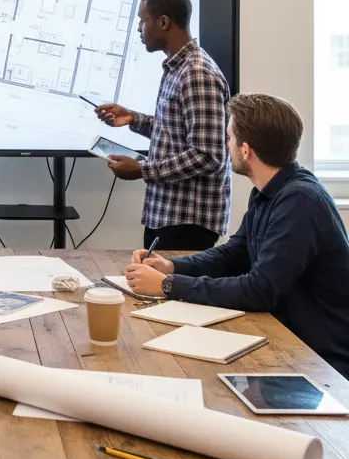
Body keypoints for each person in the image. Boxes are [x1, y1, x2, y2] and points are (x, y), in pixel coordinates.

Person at [124, 93, 349, 379]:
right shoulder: (271, 191)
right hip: (287, 341)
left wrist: (168, 285)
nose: (225, 145)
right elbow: (235, 253)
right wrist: (172, 267)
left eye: (229, 137)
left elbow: (259, 290)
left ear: (245, 150)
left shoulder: (299, 202)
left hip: (320, 361)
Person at [95, 0, 230, 251]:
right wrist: (133, 118)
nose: (138, 29)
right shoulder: (178, 68)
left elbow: (208, 155)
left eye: (142, 21)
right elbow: (178, 131)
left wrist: (143, 170)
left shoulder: (197, 74)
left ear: (164, 22)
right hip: (169, 215)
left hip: (187, 222)